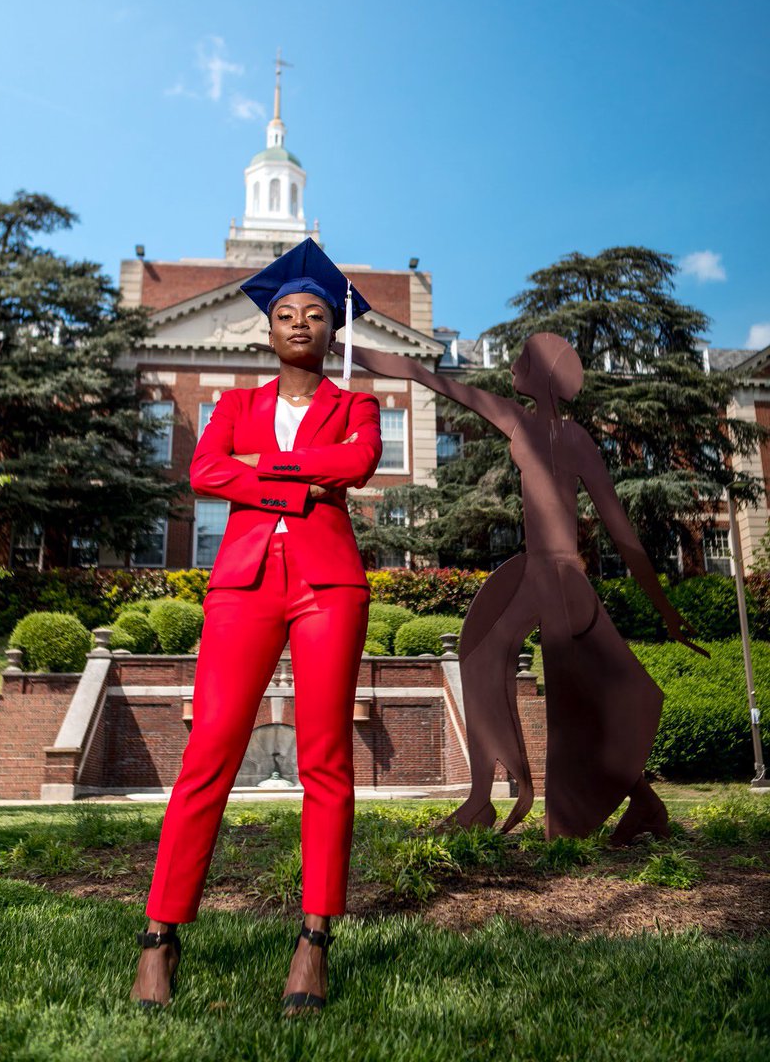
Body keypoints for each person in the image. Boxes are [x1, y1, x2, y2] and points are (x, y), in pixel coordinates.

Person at [130, 238, 382, 1014]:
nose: (299, 322)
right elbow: (205, 471)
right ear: (266, 331)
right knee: (209, 751)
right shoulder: (234, 407)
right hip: (242, 586)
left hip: (328, 587)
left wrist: (263, 474)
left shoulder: (355, 406)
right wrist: (299, 481)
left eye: (313, 313)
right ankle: (159, 937)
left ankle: (314, 940)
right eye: (284, 313)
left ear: (333, 331)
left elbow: (360, 462)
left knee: (325, 760)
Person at [338, 333, 703, 844]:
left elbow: (617, 525)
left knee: (577, 704)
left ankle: (632, 806)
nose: (512, 366)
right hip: (532, 570)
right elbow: (423, 375)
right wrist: (343, 347)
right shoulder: (517, 419)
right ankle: (488, 800)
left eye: (523, 361)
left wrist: (663, 606)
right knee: (480, 653)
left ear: (546, 376)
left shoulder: (572, 439)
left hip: (559, 579)